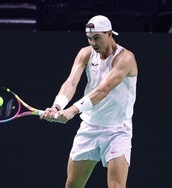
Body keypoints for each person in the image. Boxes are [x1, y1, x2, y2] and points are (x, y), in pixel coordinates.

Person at [41, 15, 138, 188]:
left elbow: (103, 89)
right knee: (73, 185)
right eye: (89, 38)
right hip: (89, 128)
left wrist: (72, 110)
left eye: (97, 38)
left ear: (109, 34)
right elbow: (71, 82)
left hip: (117, 130)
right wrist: (57, 106)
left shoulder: (126, 58)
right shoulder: (85, 53)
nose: (93, 43)